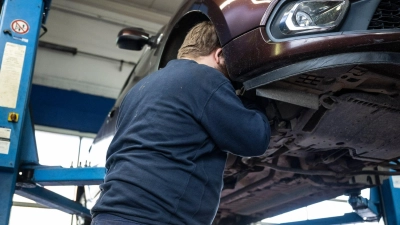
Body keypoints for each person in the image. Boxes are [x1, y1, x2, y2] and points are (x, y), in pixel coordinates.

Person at [91, 21, 271, 225]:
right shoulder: (205, 78)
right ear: (220, 55)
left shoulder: (138, 90)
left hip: (111, 216)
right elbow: (255, 139)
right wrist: (254, 95)